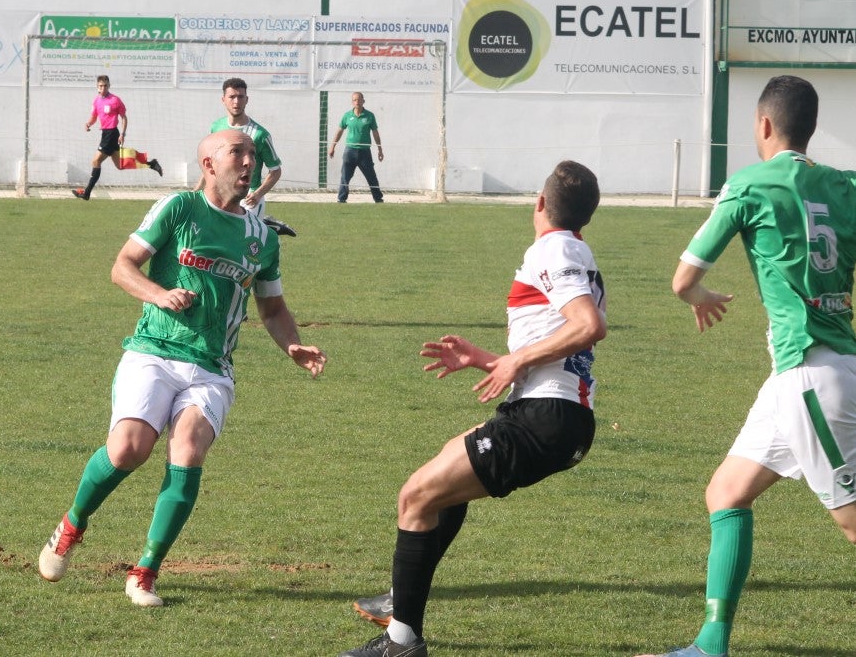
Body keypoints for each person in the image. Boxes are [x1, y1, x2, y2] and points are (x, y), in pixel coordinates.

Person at [38, 128, 327, 607]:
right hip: (153, 348)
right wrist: (160, 294)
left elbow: (273, 310)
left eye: (252, 154)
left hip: (211, 365)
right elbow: (123, 266)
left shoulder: (262, 236)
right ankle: (71, 526)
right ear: (210, 163)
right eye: (238, 152)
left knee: (188, 449)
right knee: (130, 448)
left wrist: (292, 345)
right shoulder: (179, 208)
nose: (248, 162)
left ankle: (145, 571)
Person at [341, 160, 607, 657]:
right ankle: (404, 599)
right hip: (551, 413)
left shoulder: (554, 248)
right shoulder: (576, 250)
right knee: (443, 475)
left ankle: (402, 639)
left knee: (416, 496)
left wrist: (515, 362)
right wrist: (488, 360)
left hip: (547, 416)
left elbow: (587, 326)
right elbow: (560, 339)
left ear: (540, 203)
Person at [636, 75, 856, 657]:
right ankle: (711, 645)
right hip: (806, 372)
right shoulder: (845, 184)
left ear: (762, 125)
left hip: (811, 374)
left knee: (853, 522)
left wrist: (699, 299)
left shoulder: (747, 185)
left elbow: (684, 279)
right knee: (726, 492)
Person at [209, 77, 296, 236]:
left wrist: (258, 194)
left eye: (240, 97)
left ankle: (264, 226)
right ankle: (265, 224)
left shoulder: (260, 135)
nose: (236, 101)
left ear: (246, 100)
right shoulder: (216, 127)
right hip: (224, 192)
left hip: (249, 196)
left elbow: (275, 171)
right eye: (232, 97)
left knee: (239, 237)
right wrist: (198, 189)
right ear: (223, 100)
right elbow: (211, 163)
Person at [72, 74, 163, 200]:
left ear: (109, 86)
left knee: (96, 161)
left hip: (111, 134)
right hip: (105, 133)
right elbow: (94, 117)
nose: (103, 88)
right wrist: (88, 123)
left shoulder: (115, 100)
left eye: (105, 85)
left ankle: (87, 193)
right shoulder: (96, 101)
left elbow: (124, 117)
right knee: (120, 166)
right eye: (100, 86)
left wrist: (122, 134)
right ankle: (151, 164)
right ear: (97, 87)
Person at [329, 92, 384, 203]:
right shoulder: (347, 116)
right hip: (350, 151)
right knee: (345, 176)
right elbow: (339, 131)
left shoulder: (370, 115)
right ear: (352, 102)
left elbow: (375, 133)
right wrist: (332, 146)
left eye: (359, 100)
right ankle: (341, 199)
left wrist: (380, 149)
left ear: (363, 101)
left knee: (371, 176)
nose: (357, 102)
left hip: (365, 152)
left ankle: (378, 198)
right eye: (354, 100)